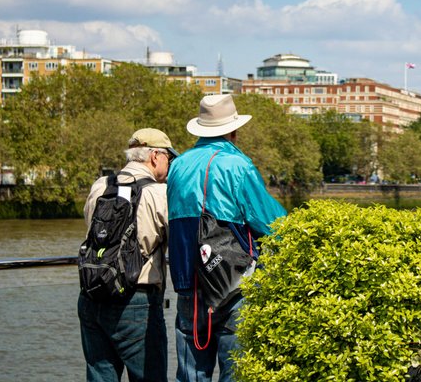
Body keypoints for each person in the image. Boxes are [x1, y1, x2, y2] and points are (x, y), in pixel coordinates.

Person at [167, 94, 287, 382]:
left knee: (191, 373)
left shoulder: (178, 166)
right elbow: (272, 223)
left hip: (187, 282)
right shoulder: (237, 165)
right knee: (236, 371)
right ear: (233, 130)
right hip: (232, 283)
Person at [78, 128, 179, 382]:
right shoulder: (158, 193)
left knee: (100, 376)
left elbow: (91, 228)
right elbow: (177, 239)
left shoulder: (101, 185)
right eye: (169, 157)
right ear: (155, 156)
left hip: (93, 295)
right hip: (137, 302)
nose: (170, 164)